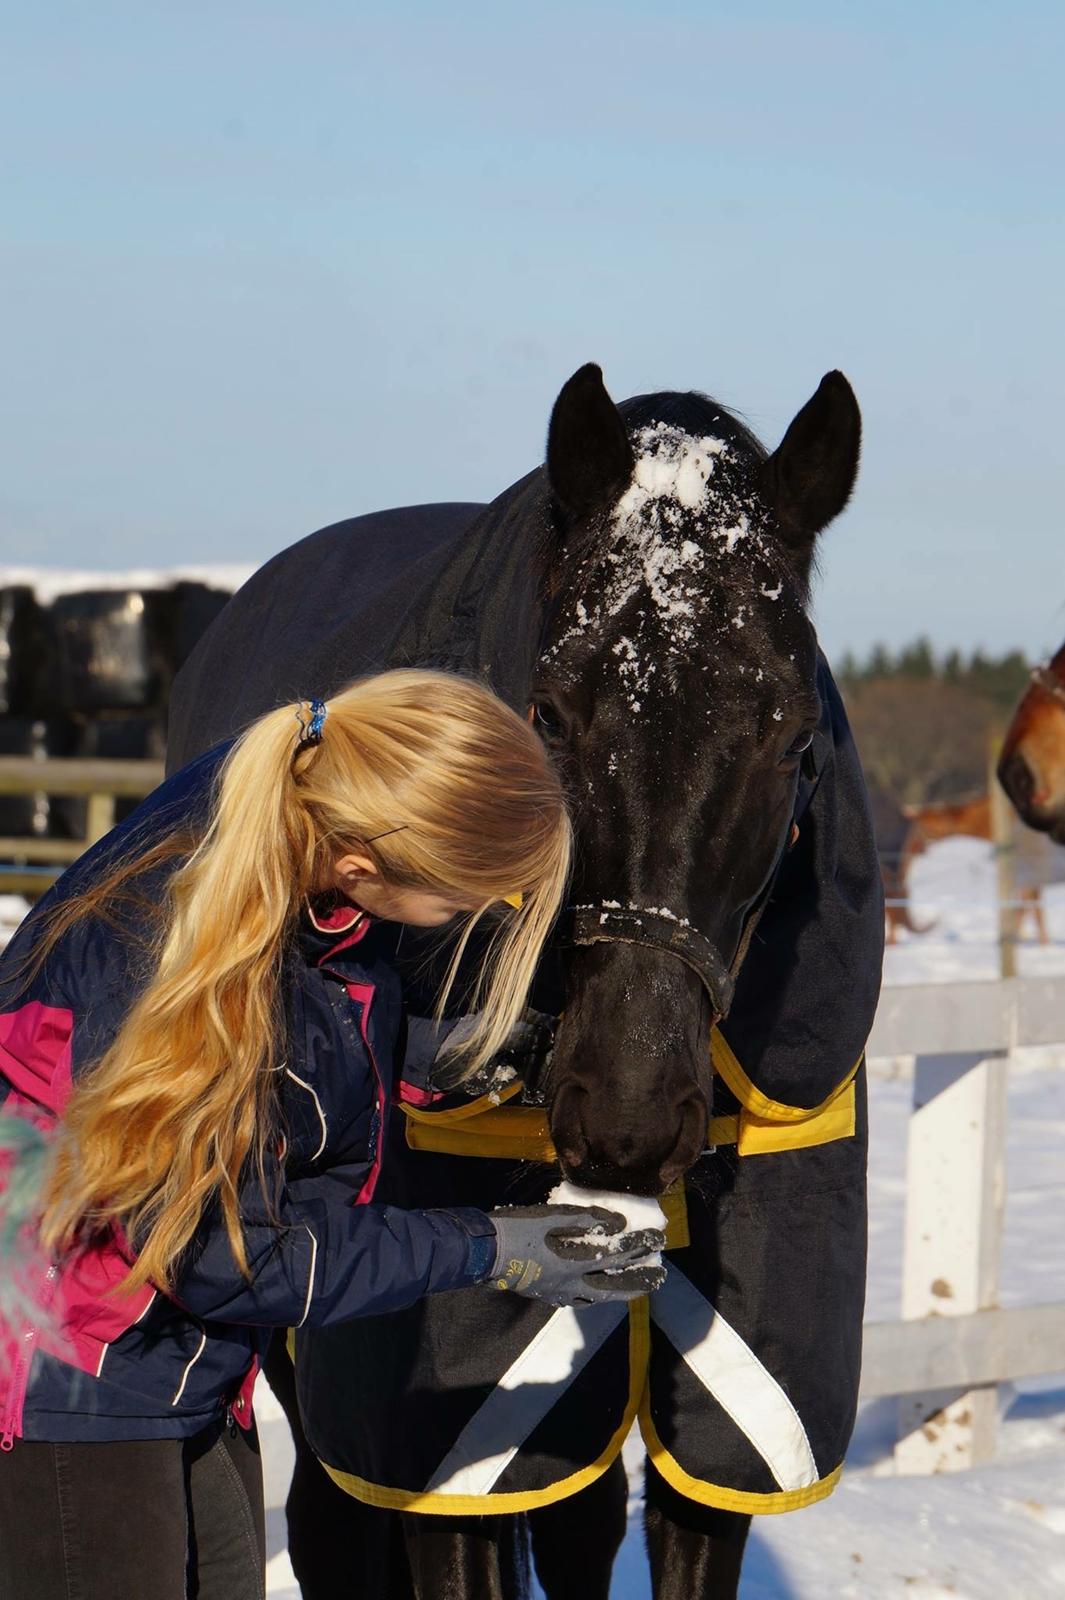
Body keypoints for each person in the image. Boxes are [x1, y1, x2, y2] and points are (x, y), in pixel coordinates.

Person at [0, 669, 664, 1600]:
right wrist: (489, 1248)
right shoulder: (165, 955)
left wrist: (439, 1056)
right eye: (470, 896)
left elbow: (299, 1082)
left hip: (179, 1363)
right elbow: (225, 1253)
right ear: (364, 862)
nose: (481, 914)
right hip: (69, 1387)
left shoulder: (304, 880)